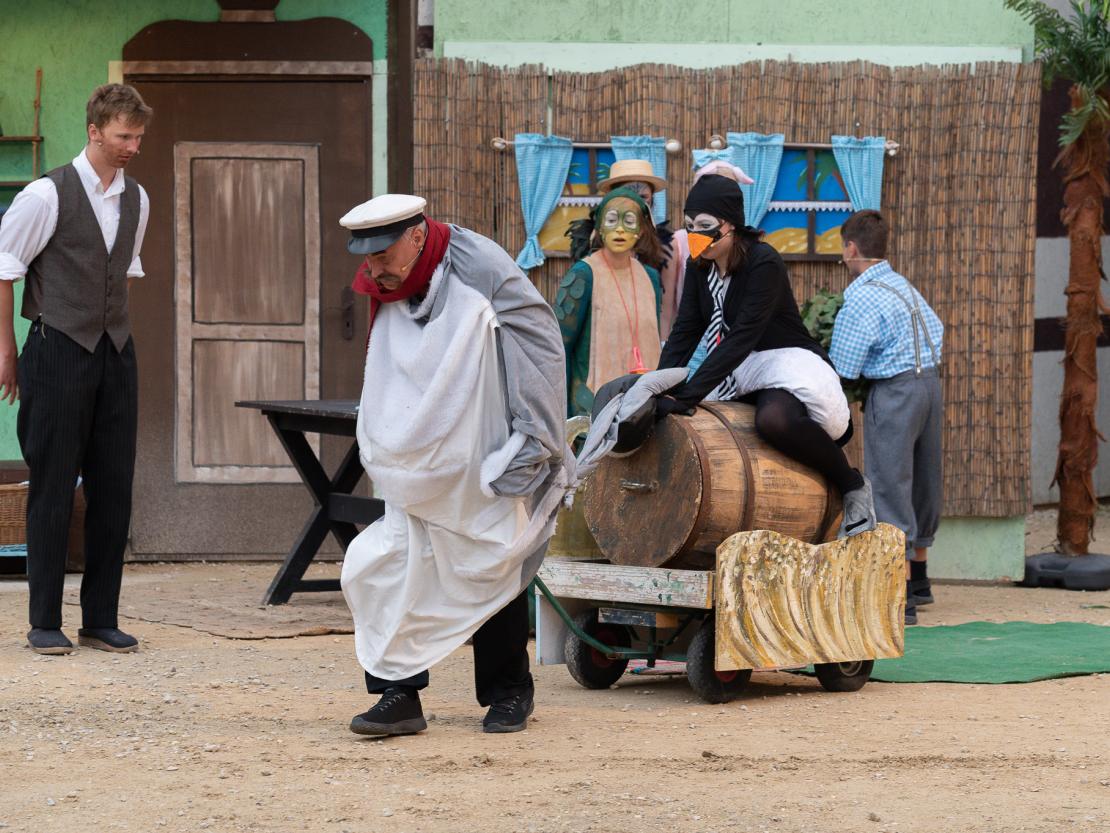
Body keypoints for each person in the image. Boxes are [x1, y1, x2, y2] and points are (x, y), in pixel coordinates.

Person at [338, 193, 571, 736]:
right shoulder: (390, 276)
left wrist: (536, 437)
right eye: (367, 256)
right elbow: (390, 355)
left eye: (383, 254)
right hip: (417, 458)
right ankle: (398, 694)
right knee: (391, 563)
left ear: (417, 237)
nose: (373, 269)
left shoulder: (480, 266)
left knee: (490, 559)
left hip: (480, 442)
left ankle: (509, 693)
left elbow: (538, 339)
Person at [0, 84, 152, 655]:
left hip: (115, 353)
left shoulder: (138, 199)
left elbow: (122, 276)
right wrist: (8, 353)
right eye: (122, 136)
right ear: (94, 131)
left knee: (113, 487)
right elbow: (5, 271)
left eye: (137, 137)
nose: (132, 146)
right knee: (53, 485)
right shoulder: (45, 195)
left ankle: (100, 618)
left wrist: (115, 340)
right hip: (56, 348)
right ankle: (44, 620)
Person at [656, 174, 876, 538]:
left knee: (774, 420)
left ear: (730, 223)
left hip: (786, 364)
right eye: (690, 225)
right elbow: (687, 330)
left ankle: (852, 484)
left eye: (705, 225)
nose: (696, 235)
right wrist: (659, 387)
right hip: (739, 372)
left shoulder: (763, 261)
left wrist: (688, 395)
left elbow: (743, 336)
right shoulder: (699, 265)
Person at [829, 210, 944, 626]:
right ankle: (921, 579)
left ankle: (901, 595)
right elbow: (937, 329)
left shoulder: (861, 296)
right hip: (929, 385)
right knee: (925, 477)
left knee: (890, 482)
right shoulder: (902, 284)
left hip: (895, 391)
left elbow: (844, 365)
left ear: (851, 248)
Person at [555, 187, 663, 417]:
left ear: (641, 230)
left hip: (643, 405)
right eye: (612, 220)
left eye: (629, 221)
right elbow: (559, 346)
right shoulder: (583, 274)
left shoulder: (650, 278)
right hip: (591, 407)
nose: (620, 229)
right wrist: (563, 412)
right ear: (600, 228)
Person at [596, 159, 683, 339]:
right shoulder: (596, 238)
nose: (636, 201)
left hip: (645, 336)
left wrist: (661, 345)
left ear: (652, 200)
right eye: (628, 194)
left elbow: (665, 308)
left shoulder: (665, 244)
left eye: (643, 197)